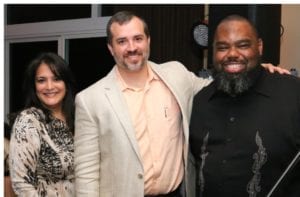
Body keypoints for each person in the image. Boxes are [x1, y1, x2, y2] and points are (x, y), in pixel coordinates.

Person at [74, 11, 289, 197]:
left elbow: (216, 85)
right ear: (111, 48)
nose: (132, 47)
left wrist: (256, 69)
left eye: (137, 38)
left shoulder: (175, 74)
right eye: (122, 41)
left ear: (148, 40)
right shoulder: (91, 99)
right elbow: (86, 172)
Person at [189, 14, 300, 197]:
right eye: (223, 47)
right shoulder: (200, 101)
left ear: (259, 47)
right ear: (213, 52)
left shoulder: (293, 94)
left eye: (243, 45)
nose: (232, 54)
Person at [9, 52, 76, 197]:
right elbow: (22, 184)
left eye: (56, 79)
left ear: (66, 83)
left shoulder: (78, 118)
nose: (49, 86)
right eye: (41, 80)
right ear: (34, 86)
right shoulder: (29, 121)